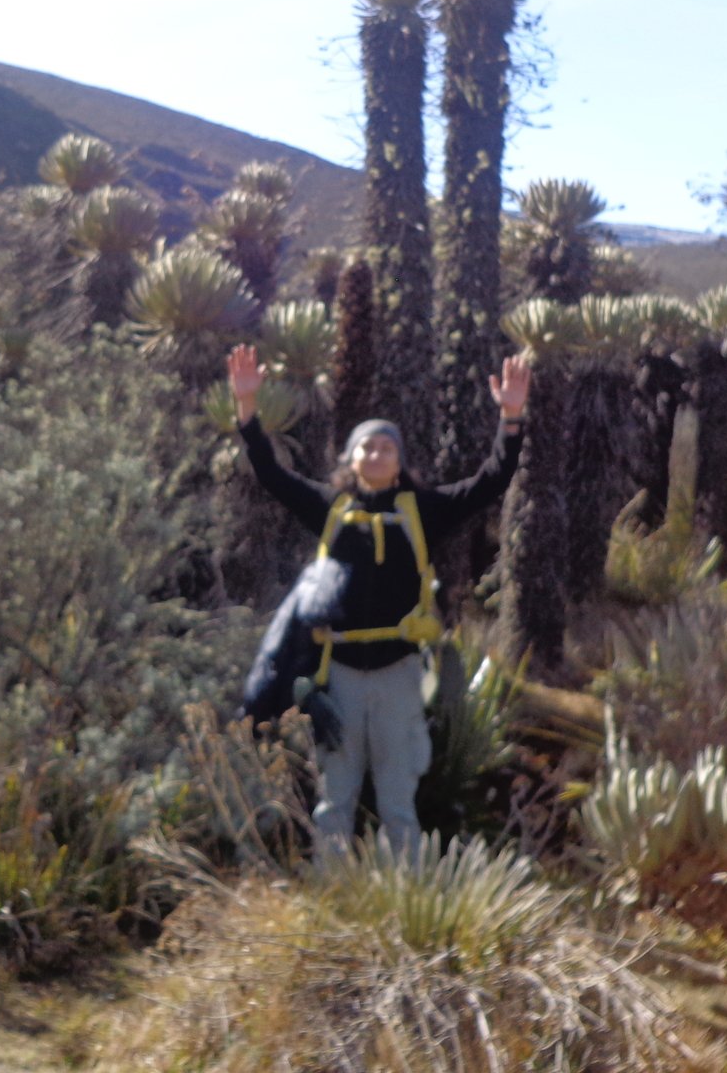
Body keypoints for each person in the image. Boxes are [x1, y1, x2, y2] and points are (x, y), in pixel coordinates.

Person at [227, 342, 530, 852]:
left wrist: (512, 418)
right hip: (337, 674)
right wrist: (247, 410)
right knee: (336, 796)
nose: (375, 455)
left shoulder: (423, 509)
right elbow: (271, 476)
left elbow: (489, 482)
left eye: (385, 448)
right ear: (351, 458)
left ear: (398, 461)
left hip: (400, 673)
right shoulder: (330, 507)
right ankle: (333, 894)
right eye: (366, 447)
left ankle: (404, 899)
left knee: (397, 798)